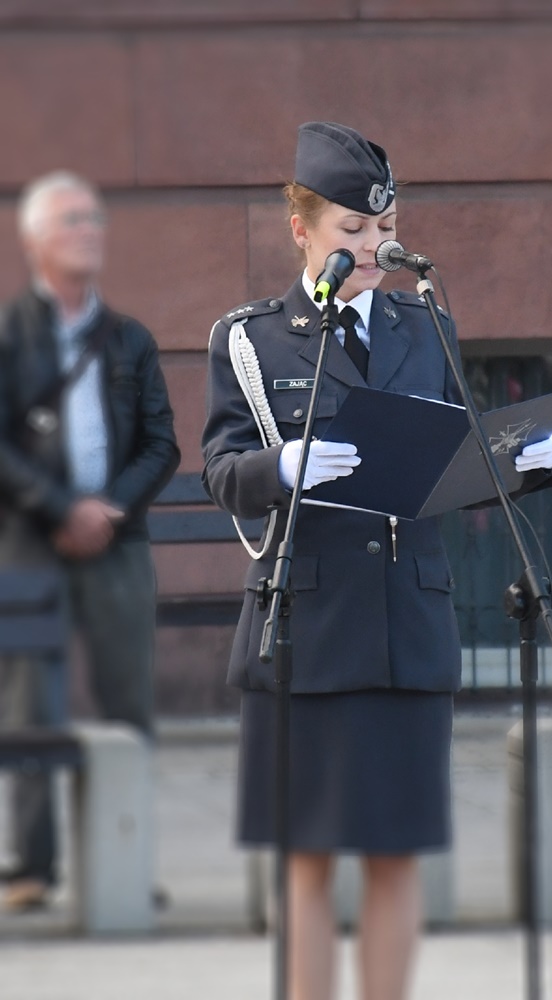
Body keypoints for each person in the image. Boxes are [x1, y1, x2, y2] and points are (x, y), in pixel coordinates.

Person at [202, 122, 552, 1000]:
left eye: (383, 226)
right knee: (308, 862)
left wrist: (523, 463)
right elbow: (219, 471)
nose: (373, 247)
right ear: (300, 229)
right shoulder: (253, 339)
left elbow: (452, 466)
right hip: (307, 626)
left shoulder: (423, 321)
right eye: (349, 231)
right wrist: (277, 468)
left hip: (406, 618)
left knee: (397, 856)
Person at [0, 171, 180, 911]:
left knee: (127, 705)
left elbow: (161, 445)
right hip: (30, 545)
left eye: (96, 218)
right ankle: (33, 869)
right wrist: (58, 507)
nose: (89, 230)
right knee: (29, 710)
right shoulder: (10, 334)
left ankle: (126, 861)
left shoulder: (129, 339)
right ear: (36, 239)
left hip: (117, 543)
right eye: (72, 219)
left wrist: (107, 509)